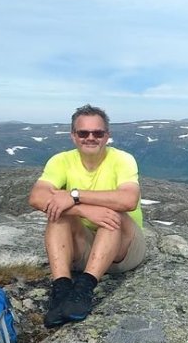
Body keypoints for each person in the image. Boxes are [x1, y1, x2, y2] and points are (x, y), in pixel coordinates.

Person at [28, 104, 146, 326]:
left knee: (113, 214)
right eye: (83, 133)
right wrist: (82, 209)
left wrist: (74, 195)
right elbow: (37, 196)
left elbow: (129, 200)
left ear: (107, 136)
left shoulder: (122, 159)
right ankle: (62, 291)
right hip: (85, 246)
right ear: (73, 136)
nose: (90, 138)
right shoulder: (61, 161)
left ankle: (84, 289)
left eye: (98, 133)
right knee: (58, 214)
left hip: (124, 250)